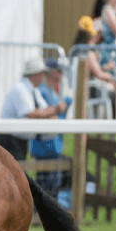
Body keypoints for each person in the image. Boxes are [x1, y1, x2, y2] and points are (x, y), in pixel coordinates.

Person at [0, 57, 68, 162]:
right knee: (14, 173)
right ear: (36, 74)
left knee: (18, 172)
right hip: (9, 139)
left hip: (18, 138)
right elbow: (31, 113)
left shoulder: (32, 89)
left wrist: (54, 117)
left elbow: (44, 110)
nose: (44, 76)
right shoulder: (20, 88)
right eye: (42, 73)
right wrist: (56, 110)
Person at [31, 58, 72, 196]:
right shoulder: (41, 92)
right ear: (51, 72)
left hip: (54, 146)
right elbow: (42, 115)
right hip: (44, 146)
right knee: (45, 186)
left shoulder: (52, 92)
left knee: (53, 185)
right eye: (58, 70)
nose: (61, 74)